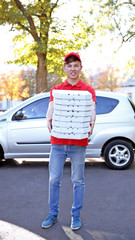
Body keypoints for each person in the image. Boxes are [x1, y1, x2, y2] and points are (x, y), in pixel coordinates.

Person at [41, 52, 96, 230]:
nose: (73, 69)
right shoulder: (56, 89)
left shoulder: (88, 90)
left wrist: (91, 125)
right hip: (57, 143)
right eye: (69, 65)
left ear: (80, 68)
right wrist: (48, 118)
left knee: (78, 181)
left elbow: (92, 112)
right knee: (54, 180)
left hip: (78, 144)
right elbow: (51, 109)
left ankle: (76, 216)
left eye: (76, 65)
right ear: (64, 68)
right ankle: (53, 214)